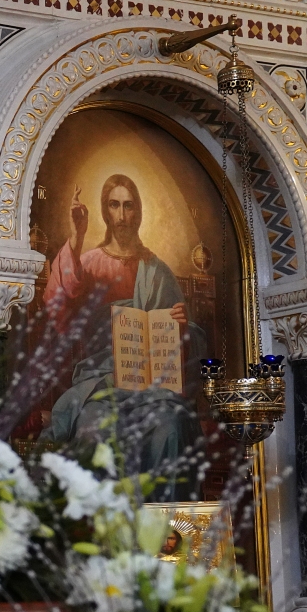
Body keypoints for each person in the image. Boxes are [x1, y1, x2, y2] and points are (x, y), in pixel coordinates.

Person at [40, 175, 204, 492]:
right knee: (95, 432)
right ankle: (104, 520)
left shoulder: (157, 270)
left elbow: (191, 343)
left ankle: (166, 521)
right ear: (105, 211)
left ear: (138, 211)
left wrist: (182, 326)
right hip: (101, 381)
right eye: (114, 205)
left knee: (170, 426)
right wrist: (76, 237)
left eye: (128, 206)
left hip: (154, 386)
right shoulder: (89, 263)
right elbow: (57, 305)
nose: (122, 215)